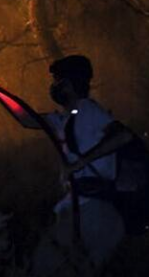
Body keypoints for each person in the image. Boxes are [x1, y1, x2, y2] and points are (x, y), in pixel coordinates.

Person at [32, 55, 135, 265]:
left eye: (57, 81)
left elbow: (122, 135)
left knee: (48, 271)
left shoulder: (88, 110)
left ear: (69, 84)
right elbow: (25, 117)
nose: (53, 87)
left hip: (94, 210)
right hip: (82, 207)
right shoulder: (65, 118)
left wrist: (80, 162)